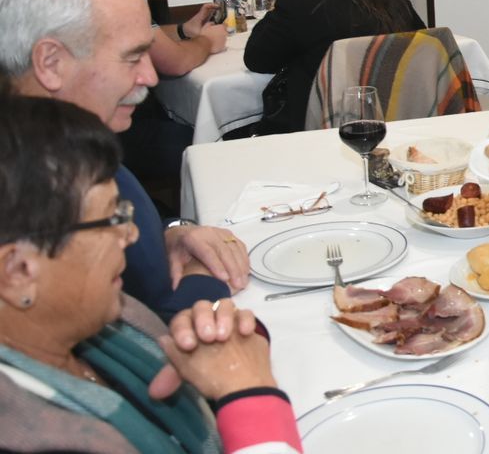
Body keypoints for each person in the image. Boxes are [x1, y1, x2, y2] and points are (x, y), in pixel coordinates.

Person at [0, 95, 302, 454]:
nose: (130, 235)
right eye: (112, 219)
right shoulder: (26, 433)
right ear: (17, 271)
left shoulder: (107, 323)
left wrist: (223, 349)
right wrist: (250, 397)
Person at [0, 0, 248, 320]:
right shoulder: (37, 188)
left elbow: (133, 241)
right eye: (132, 59)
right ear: (51, 63)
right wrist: (204, 275)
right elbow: (151, 324)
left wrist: (171, 234)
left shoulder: (68, 143)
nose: (149, 78)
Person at [46, 0, 228, 189]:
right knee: (210, 140)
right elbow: (176, 63)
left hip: (72, 128)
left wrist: (183, 31)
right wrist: (209, 42)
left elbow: (135, 35)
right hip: (109, 131)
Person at [244, 0, 425, 135]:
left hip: (317, 124)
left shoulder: (300, 3)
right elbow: (421, 47)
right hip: (391, 118)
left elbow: (257, 59)